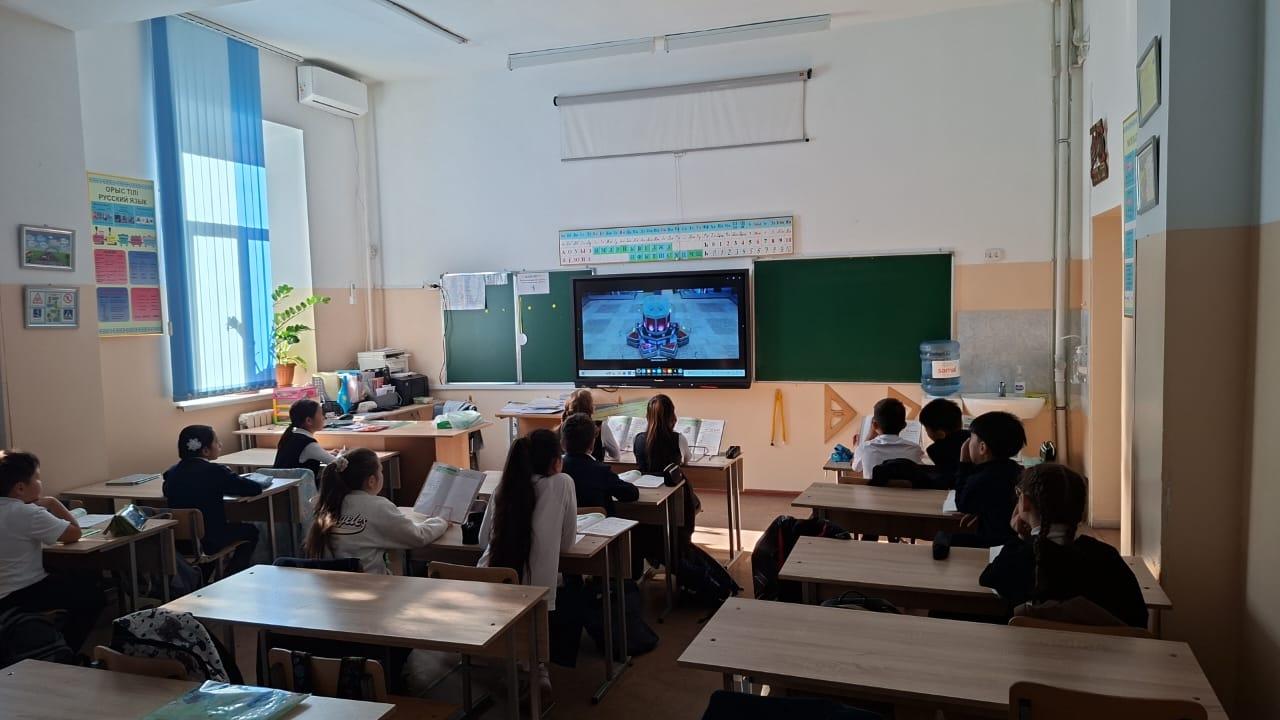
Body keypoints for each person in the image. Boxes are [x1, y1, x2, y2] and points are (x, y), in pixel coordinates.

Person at [980, 464, 1148, 628]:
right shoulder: (1107, 556)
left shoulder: (1019, 558)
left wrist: (1020, 540)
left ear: (1025, 503)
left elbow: (988, 577)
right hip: (1104, 647)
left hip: (1035, 647)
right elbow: (1138, 619)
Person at [477, 429, 576, 701]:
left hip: (491, 584)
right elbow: (567, 545)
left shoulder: (505, 486)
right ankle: (537, 667)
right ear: (555, 461)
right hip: (535, 597)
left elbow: (483, 539)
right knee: (566, 589)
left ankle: (520, 666)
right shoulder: (562, 483)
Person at [0, 450, 104, 655]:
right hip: (23, 592)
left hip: (5, 593)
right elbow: (74, 533)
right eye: (37, 478)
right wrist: (53, 503)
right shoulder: (27, 512)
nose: (40, 482)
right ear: (20, 488)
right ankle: (65, 649)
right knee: (93, 595)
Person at [303, 448, 447, 574]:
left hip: (331, 590)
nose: (382, 474)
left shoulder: (324, 504)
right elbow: (418, 537)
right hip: (370, 587)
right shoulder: (378, 506)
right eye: (381, 471)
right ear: (371, 481)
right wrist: (441, 521)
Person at [163, 425, 264, 575]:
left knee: (211, 542)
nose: (220, 445)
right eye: (217, 442)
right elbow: (253, 488)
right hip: (210, 540)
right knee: (251, 531)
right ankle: (231, 575)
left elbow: (166, 490)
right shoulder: (215, 472)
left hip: (179, 542)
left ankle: (202, 577)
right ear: (205, 450)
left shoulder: (171, 473)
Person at [953, 411, 1026, 548]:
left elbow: (962, 505)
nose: (967, 443)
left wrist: (964, 463)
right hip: (1012, 540)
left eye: (971, 439)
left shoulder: (982, 479)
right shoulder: (1015, 469)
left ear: (982, 448)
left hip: (994, 545)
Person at [561, 412, 637, 516]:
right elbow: (631, 494)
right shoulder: (601, 471)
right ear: (592, 443)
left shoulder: (556, 469)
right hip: (600, 524)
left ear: (562, 442)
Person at [852, 398, 924, 478]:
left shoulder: (865, 448)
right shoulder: (914, 449)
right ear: (904, 425)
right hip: (904, 487)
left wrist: (869, 436)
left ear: (874, 425)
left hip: (875, 487)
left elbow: (856, 468)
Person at [273, 399, 338, 477]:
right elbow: (339, 464)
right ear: (309, 421)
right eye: (321, 414)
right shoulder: (308, 444)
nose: (324, 417)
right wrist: (342, 454)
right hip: (300, 485)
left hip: (282, 484)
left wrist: (326, 454)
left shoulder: (290, 435)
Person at [919, 398, 970, 488]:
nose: (926, 432)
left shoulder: (936, 450)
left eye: (926, 429)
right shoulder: (972, 437)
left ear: (940, 434)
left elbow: (949, 478)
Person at [632, 394, 690, 472]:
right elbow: (687, 459)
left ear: (648, 416)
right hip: (667, 480)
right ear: (671, 415)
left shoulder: (637, 438)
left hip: (643, 479)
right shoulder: (679, 438)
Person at [559, 389, 620, 462]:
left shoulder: (562, 427)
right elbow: (615, 455)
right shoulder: (600, 426)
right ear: (591, 408)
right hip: (594, 467)